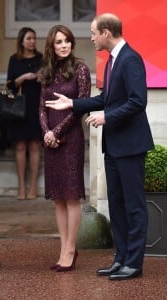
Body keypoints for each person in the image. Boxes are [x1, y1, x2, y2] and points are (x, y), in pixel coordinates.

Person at [45, 13, 154, 280]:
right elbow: (106, 97)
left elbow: (138, 101)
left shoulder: (131, 59)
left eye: (94, 33)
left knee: (133, 206)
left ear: (106, 32)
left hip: (130, 146)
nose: (91, 38)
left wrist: (107, 116)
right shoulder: (113, 60)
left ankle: (134, 264)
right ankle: (121, 259)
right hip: (114, 146)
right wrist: (72, 104)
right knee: (116, 205)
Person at [39, 25, 91, 272]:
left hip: (71, 140)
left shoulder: (80, 69)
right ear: (51, 45)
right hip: (51, 142)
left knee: (71, 197)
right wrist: (47, 133)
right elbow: (41, 107)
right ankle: (63, 249)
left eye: (67, 41)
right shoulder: (48, 72)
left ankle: (71, 250)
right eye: (59, 42)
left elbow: (80, 106)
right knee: (57, 198)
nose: (63, 45)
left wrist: (57, 132)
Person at [6, 27, 43, 200]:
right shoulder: (14, 59)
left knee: (35, 145)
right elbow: (10, 85)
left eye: (34, 38)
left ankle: (33, 186)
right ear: (21, 41)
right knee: (20, 146)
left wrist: (41, 76)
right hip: (19, 107)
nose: (32, 41)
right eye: (29, 38)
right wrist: (24, 77)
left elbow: (48, 80)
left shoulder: (41, 58)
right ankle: (21, 186)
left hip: (37, 104)